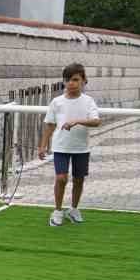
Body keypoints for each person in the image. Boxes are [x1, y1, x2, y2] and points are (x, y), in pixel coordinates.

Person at [37, 63, 101, 227]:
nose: (71, 83)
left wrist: (76, 121)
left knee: (78, 180)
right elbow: (50, 125)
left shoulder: (88, 101)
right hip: (60, 147)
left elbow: (96, 121)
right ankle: (57, 211)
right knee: (61, 178)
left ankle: (73, 210)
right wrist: (42, 145)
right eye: (67, 80)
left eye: (75, 79)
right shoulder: (56, 102)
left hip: (81, 148)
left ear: (83, 81)